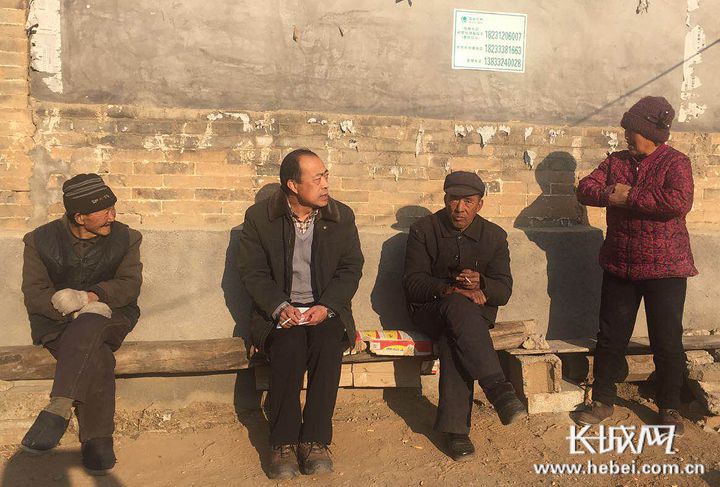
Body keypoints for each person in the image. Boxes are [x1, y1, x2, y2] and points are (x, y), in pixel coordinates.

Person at [237, 148, 364, 479]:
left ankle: (315, 440)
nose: (325, 184)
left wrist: (328, 306)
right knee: (289, 348)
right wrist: (280, 307)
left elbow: (351, 269)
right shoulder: (259, 218)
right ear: (293, 185)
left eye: (326, 176)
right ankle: (283, 442)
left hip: (326, 309)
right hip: (278, 312)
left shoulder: (341, 216)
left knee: (327, 346)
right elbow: (253, 272)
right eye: (317, 178)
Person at [575, 96, 697, 435]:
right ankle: (602, 399)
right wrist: (609, 193)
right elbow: (585, 189)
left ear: (650, 133)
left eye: (632, 131)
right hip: (620, 265)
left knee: (666, 340)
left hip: (666, 269)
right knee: (611, 337)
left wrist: (630, 197)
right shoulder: (616, 161)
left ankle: (669, 406)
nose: (626, 136)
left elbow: (678, 201)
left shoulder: (676, 162)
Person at [20, 173, 143, 474]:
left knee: (93, 323)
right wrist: (71, 309)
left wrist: (90, 297)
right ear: (79, 217)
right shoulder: (39, 241)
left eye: (113, 208)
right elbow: (35, 293)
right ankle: (98, 441)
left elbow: (129, 285)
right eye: (105, 211)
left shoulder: (127, 238)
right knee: (98, 354)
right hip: (57, 323)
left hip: (111, 316)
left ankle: (59, 406)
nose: (113, 216)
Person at [403, 171, 526, 462]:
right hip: (431, 312)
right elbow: (412, 283)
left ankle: (456, 431)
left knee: (454, 336)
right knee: (456, 307)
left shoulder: (494, 236)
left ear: (480, 204)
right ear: (445, 199)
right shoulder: (424, 230)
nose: (459, 208)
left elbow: (504, 290)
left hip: (473, 320)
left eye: (468, 201)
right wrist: (450, 290)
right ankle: (498, 389)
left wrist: (482, 284)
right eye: (453, 200)